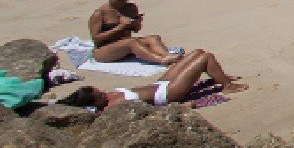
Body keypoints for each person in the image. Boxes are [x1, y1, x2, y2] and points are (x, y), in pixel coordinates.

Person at [84, 49, 246, 110]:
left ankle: (220, 76)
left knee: (197, 53)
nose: (104, 93)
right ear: (94, 103)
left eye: (101, 91)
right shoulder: (113, 108)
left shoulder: (108, 98)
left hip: (159, 84)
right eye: (100, 95)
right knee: (206, 58)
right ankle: (227, 85)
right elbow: (146, 113)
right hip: (167, 93)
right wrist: (182, 106)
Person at [89, 0, 181, 65]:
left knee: (154, 38)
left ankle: (167, 56)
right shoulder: (100, 14)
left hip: (124, 45)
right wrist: (121, 27)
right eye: (121, 0)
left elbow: (136, 30)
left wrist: (136, 23)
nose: (123, 2)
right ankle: (161, 60)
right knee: (131, 42)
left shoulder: (130, 8)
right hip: (104, 49)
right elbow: (96, 38)